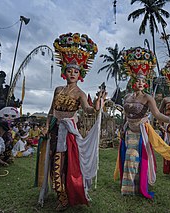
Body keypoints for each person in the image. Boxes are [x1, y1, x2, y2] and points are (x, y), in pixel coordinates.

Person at [36, 32, 106, 211]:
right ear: (64, 72)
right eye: (69, 70)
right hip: (53, 130)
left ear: (80, 74)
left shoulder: (81, 94)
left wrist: (97, 105)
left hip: (68, 134)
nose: (72, 73)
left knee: (65, 163)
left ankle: (66, 195)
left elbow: (88, 110)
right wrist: (45, 126)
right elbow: (51, 111)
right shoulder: (58, 89)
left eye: (76, 71)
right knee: (53, 162)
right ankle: (60, 194)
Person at [114, 47, 170, 198]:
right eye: (138, 80)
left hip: (142, 132)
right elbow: (125, 114)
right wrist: (122, 128)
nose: (141, 83)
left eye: (143, 81)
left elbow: (156, 114)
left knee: (134, 156)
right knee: (128, 158)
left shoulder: (148, 98)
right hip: (128, 131)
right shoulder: (127, 97)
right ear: (132, 81)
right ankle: (130, 188)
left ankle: (139, 186)